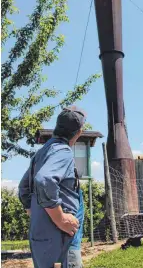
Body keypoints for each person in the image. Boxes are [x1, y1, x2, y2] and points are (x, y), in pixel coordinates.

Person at [19, 106, 86, 268]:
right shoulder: (63, 151)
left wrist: (33, 209)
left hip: (44, 240)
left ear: (56, 127)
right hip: (61, 241)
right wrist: (60, 219)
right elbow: (45, 180)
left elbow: (24, 188)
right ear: (78, 133)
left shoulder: (42, 152)